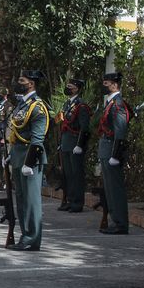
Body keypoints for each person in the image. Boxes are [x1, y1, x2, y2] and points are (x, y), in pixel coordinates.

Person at [5, 71, 51, 250]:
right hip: (19, 156)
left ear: (31, 84)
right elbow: (16, 132)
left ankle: (32, 239)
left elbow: (38, 139)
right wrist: (12, 154)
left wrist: (29, 162)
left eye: (21, 81)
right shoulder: (22, 105)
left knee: (31, 202)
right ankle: (25, 236)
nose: (18, 83)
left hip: (30, 159)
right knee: (22, 200)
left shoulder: (37, 106)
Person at [97, 71, 132, 235]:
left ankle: (120, 223)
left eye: (106, 83)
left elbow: (120, 132)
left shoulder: (117, 104)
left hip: (112, 149)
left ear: (115, 84)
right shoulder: (111, 103)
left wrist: (115, 155)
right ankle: (115, 220)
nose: (104, 85)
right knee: (109, 189)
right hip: (106, 148)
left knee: (115, 189)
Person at [57, 78, 93, 213]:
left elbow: (84, 127)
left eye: (70, 86)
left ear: (76, 89)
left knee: (76, 174)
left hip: (75, 143)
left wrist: (80, 145)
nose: (67, 88)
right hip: (66, 143)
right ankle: (69, 200)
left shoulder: (81, 105)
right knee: (67, 174)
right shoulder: (67, 104)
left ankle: (77, 203)